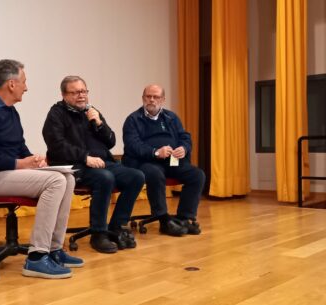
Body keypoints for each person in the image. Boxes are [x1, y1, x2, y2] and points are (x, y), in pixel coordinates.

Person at [0, 59, 83, 279]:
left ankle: (54, 250)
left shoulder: (11, 112)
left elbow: (18, 147)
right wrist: (18, 164)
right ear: (11, 84)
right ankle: (36, 258)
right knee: (55, 181)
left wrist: (34, 160)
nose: (26, 87)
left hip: (5, 173)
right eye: (24, 82)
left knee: (68, 177)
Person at [42, 75, 145, 254]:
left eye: (84, 91)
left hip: (102, 162)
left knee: (137, 176)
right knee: (104, 178)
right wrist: (85, 157)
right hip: (73, 166)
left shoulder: (91, 111)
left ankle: (116, 226)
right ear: (64, 95)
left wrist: (98, 122)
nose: (81, 96)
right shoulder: (56, 114)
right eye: (75, 92)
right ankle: (98, 234)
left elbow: (111, 141)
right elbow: (56, 145)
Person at [122, 84, 205, 236]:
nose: (152, 100)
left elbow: (184, 137)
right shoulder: (133, 120)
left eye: (156, 97)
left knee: (197, 175)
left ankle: (183, 219)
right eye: (148, 96)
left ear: (163, 99)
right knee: (154, 173)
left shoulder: (171, 117)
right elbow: (133, 145)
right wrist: (155, 152)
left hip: (170, 161)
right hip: (144, 162)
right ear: (143, 98)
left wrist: (184, 148)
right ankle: (163, 219)